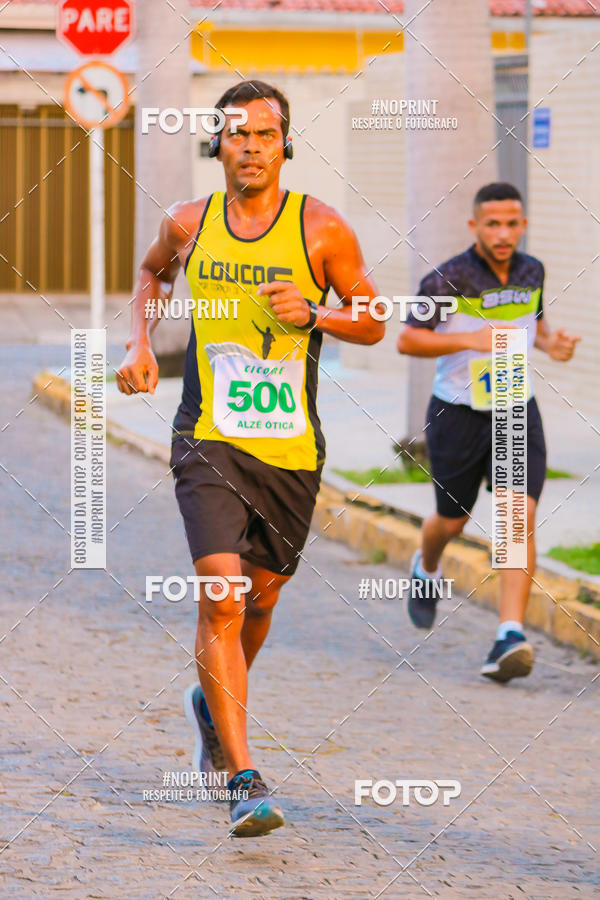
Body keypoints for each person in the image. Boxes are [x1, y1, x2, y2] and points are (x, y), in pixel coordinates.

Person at [116, 80, 384, 836]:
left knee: (260, 601)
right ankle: (243, 777)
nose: (253, 148)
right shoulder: (190, 222)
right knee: (224, 597)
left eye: (267, 134)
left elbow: (373, 319)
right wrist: (140, 343)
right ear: (218, 144)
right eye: (238, 134)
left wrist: (318, 312)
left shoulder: (320, 228)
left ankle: (210, 704)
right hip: (209, 436)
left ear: (285, 144)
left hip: (291, 449)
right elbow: (152, 272)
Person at [397, 182, 580, 683]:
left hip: (514, 406)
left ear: (523, 225)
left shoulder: (532, 270)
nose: (502, 234)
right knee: (450, 522)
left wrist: (552, 345)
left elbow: (534, 327)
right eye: (492, 224)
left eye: (511, 224)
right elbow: (408, 340)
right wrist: (472, 338)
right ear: (474, 225)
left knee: (517, 516)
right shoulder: (448, 278)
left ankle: (509, 635)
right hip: (457, 413)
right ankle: (426, 567)